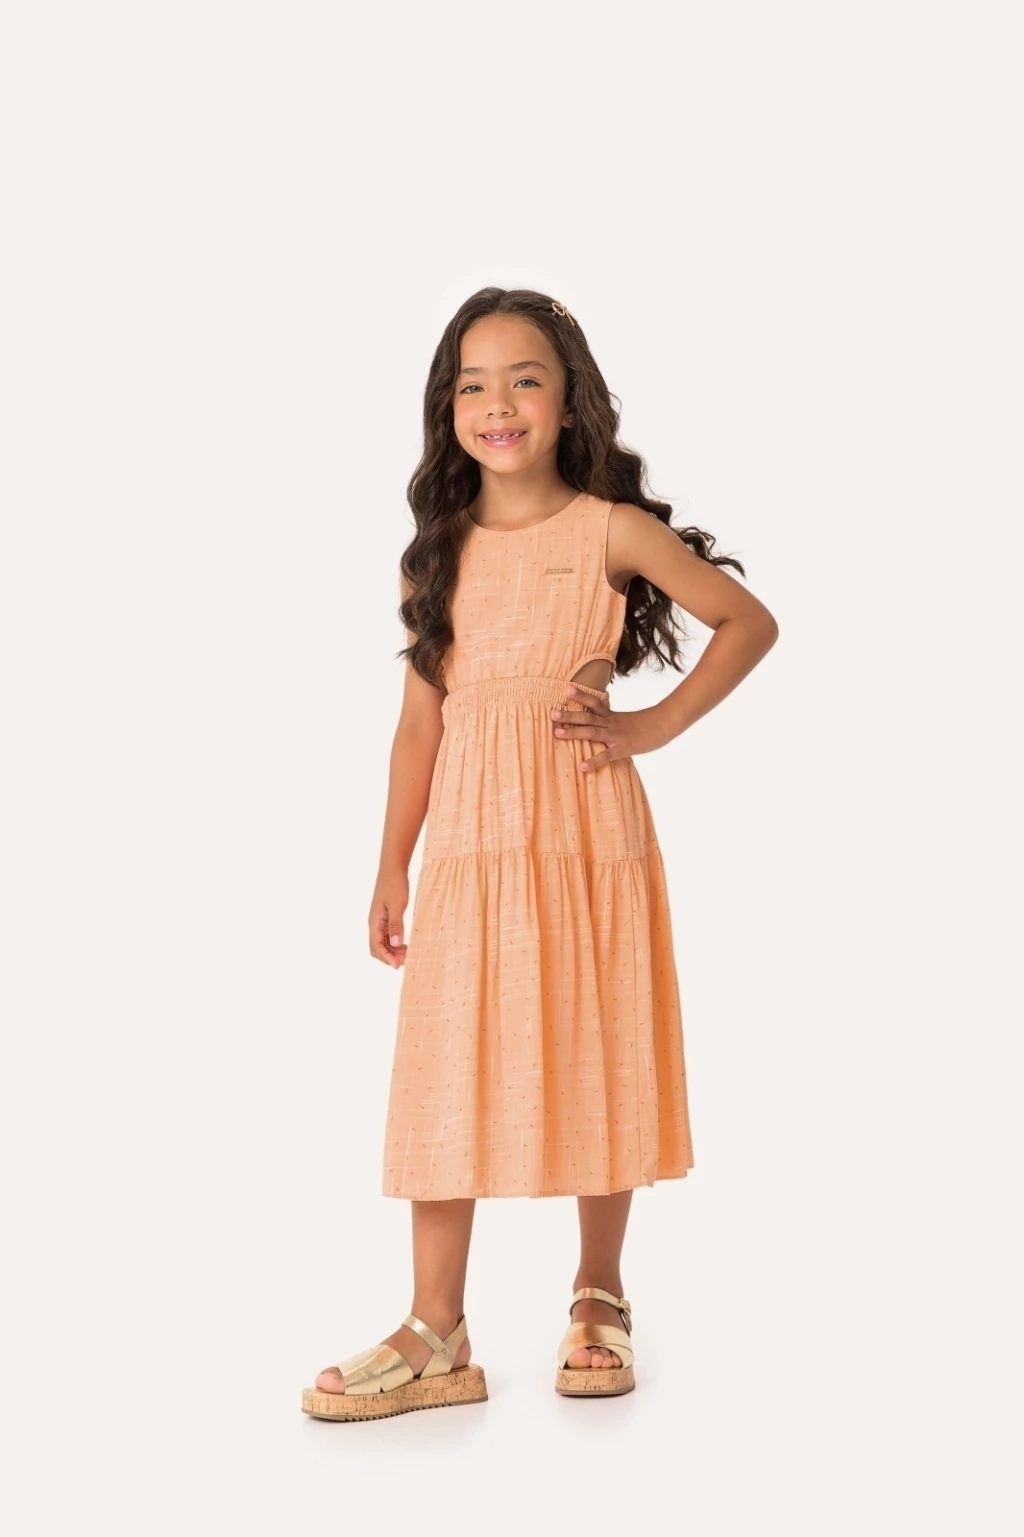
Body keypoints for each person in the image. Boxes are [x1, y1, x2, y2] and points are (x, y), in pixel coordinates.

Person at [301, 287, 779, 1421]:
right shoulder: (436, 553)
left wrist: (650, 725)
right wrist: (390, 865)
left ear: (570, 401)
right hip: (471, 841)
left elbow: (747, 621)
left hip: (584, 829)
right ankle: (436, 1327)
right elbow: (419, 724)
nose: (498, 403)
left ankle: (598, 1290)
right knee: (445, 1056)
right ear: (448, 408)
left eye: (525, 378)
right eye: (472, 384)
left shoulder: (609, 529)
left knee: (596, 1033)